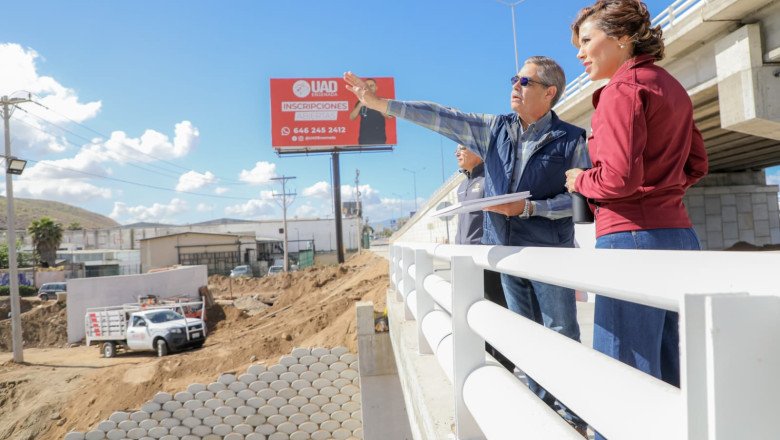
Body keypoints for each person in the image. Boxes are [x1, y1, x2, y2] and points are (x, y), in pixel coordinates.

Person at [344, 55, 591, 435]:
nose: (514, 86)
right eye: (514, 79)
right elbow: (439, 116)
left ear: (549, 92)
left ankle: (571, 414)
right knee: (522, 334)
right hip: (506, 254)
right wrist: (382, 105)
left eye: (523, 81)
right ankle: (540, 406)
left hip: (549, 255)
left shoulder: (573, 139)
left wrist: (529, 207)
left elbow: (579, 201)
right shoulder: (494, 129)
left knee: (560, 331)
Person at [565, 1, 708, 434]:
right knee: (668, 370)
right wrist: (662, 195)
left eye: (587, 41)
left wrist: (580, 180)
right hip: (679, 237)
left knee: (622, 372)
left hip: (630, 240)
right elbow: (697, 164)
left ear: (622, 38)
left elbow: (619, 179)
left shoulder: (621, 90)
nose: (580, 53)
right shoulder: (670, 87)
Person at [454, 144, 515, 372]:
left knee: (497, 311)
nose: (457, 153)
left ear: (478, 151)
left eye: (462, 147)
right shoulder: (462, 185)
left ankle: (505, 365)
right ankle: (488, 361)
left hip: (487, 259)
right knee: (475, 314)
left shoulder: (490, 178)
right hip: (465, 263)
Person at [349, 78, 387, 145]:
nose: (369, 88)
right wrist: (359, 105)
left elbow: (388, 116)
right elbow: (351, 117)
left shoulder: (382, 101)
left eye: (371, 86)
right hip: (364, 139)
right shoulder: (360, 101)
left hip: (379, 139)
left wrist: (377, 104)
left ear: (376, 88)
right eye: (367, 86)